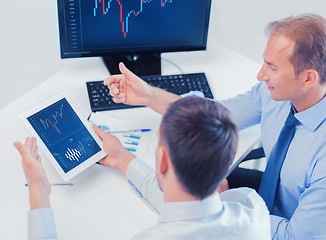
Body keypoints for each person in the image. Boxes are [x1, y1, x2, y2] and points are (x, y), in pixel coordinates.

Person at [105, 14, 326, 239]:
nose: (261, 75)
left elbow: (296, 236)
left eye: (272, 67)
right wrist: (148, 95)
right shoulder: (274, 95)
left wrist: (220, 213)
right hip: (267, 198)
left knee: (186, 192)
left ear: (308, 79)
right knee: (189, 179)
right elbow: (211, 115)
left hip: (291, 224)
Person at [14, 96, 270, 239]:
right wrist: (123, 159)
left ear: (162, 160)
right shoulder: (252, 208)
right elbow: (190, 209)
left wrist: (38, 192)